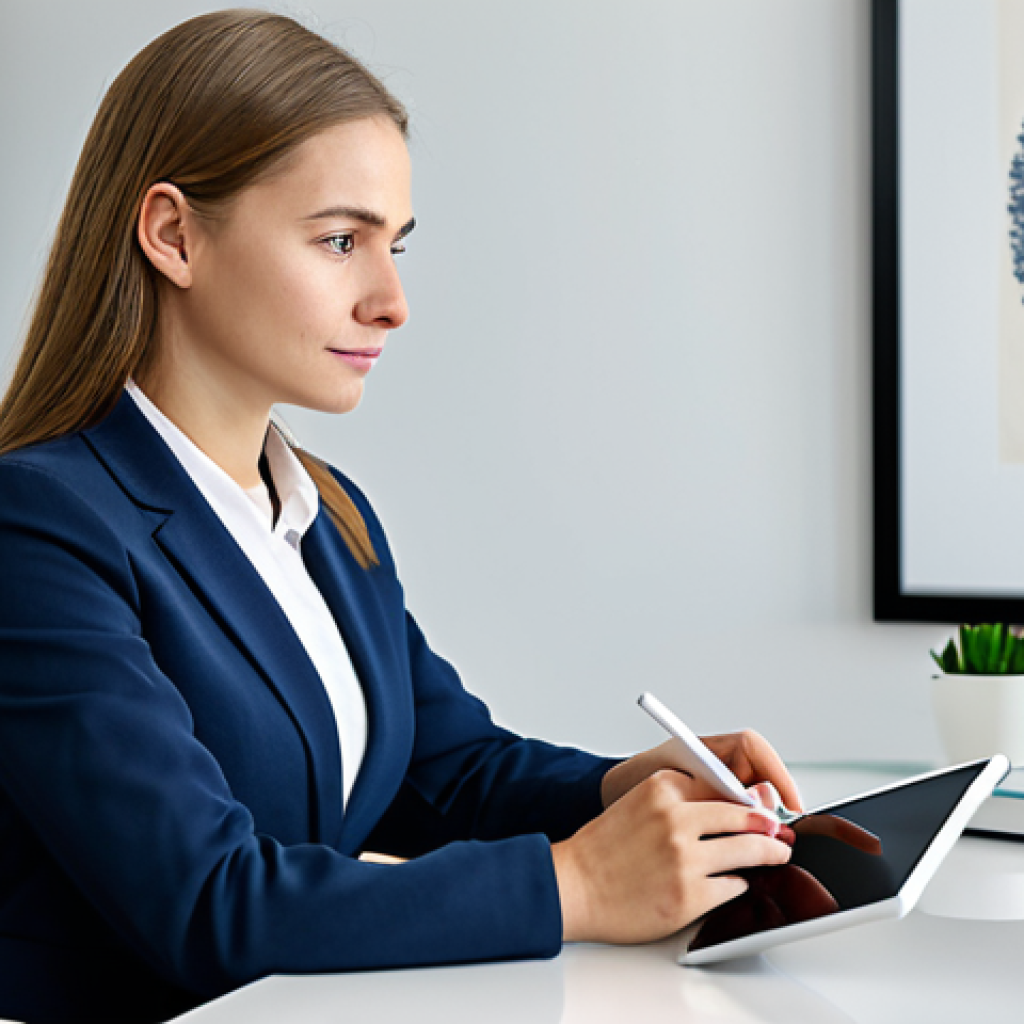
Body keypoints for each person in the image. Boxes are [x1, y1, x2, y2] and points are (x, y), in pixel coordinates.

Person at [0, 10, 802, 1023]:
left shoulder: (328, 515)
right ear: (172, 233)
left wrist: (623, 791)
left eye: (396, 246)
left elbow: (445, 768)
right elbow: (208, 902)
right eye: (341, 240)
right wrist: (580, 885)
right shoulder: (37, 524)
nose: (391, 301)